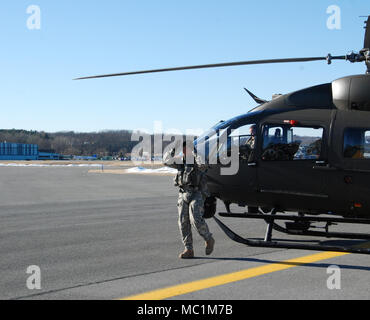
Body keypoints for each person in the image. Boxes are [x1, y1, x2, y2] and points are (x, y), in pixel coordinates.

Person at [163, 141, 215, 259]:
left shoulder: (197, 161)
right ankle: (188, 249)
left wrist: (195, 153)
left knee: (195, 219)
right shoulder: (181, 161)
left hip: (197, 193)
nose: (185, 151)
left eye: (188, 149)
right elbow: (166, 161)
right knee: (183, 222)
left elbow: (203, 165)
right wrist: (173, 150)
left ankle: (208, 238)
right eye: (184, 149)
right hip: (183, 193)